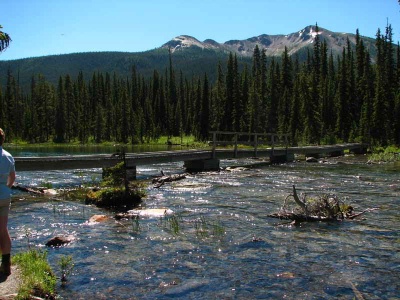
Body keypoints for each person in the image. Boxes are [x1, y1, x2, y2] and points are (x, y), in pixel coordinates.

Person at [0, 128, 15, 276]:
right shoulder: (8, 156)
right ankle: (6, 264)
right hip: (4, 196)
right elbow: (12, 177)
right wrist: (6, 188)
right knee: (3, 229)